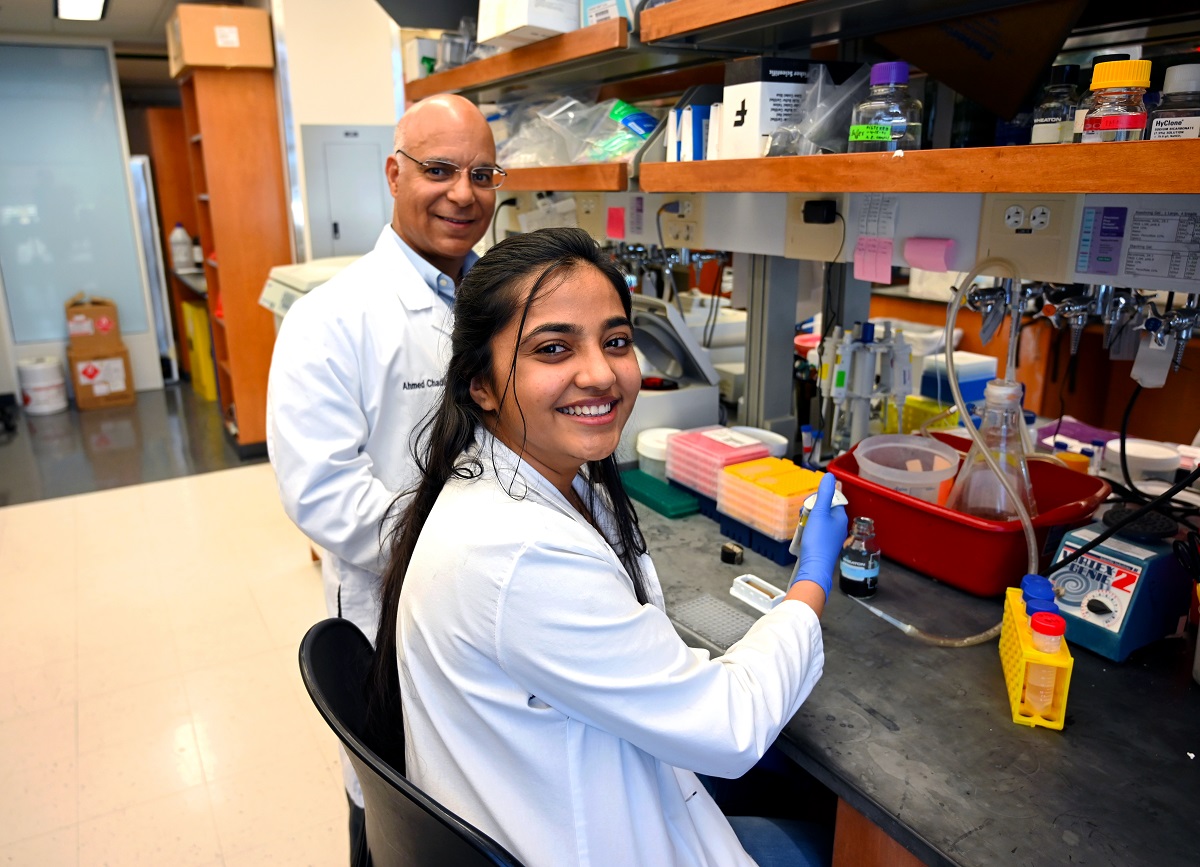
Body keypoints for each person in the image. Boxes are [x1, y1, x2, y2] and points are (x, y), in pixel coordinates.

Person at [371, 227, 849, 867]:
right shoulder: (519, 553)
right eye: (553, 348)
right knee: (840, 847)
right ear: (480, 385)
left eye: (616, 341)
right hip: (581, 839)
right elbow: (729, 725)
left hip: (579, 793)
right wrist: (810, 583)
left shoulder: (528, 481)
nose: (599, 373)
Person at [266, 93, 500, 851]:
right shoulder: (331, 320)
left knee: (488, 808)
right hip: (393, 612)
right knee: (401, 819)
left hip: (503, 608)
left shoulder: (507, 300)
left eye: (482, 173)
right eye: (439, 169)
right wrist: (457, 559)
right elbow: (322, 491)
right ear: (394, 173)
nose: (463, 193)